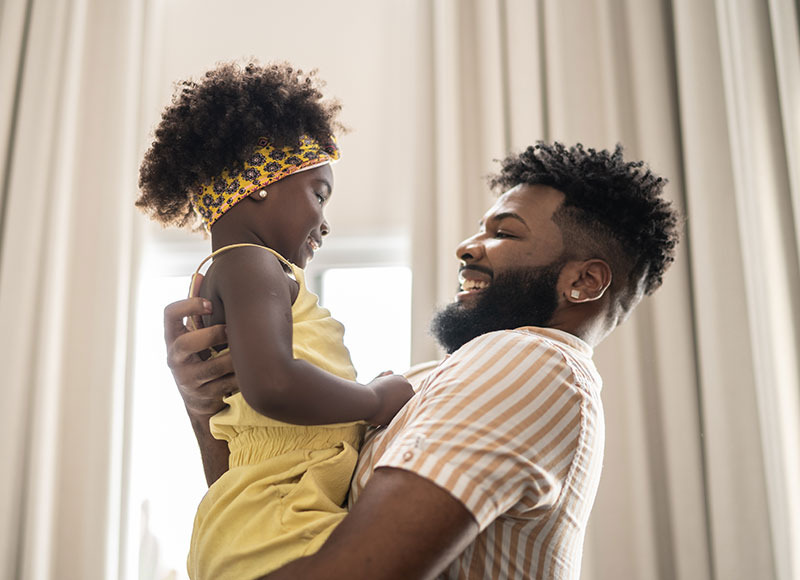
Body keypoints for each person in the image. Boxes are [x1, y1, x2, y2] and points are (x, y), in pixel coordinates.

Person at [164, 142, 681, 579]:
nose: (467, 247)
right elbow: (271, 501)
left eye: (504, 232)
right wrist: (205, 406)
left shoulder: (530, 362)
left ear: (583, 282)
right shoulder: (435, 381)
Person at [136, 61, 414, 580]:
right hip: (274, 525)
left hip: (255, 521)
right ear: (260, 182)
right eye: (319, 194)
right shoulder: (249, 263)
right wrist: (374, 400)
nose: (326, 223)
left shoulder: (238, 273)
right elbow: (272, 385)